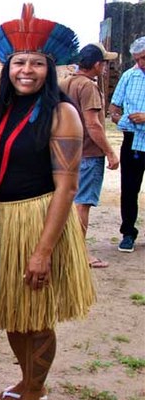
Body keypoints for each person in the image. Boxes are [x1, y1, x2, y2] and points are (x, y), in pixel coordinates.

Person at [0, 4, 95, 400]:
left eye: (35, 63)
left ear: (49, 67)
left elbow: (66, 186)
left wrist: (43, 250)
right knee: (14, 313)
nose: (25, 70)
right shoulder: (3, 109)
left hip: (40, 220)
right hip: (6, 221)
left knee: (37, 313)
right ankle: (28, 379)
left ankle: (33, 397)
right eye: (19, 62)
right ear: (7, 66)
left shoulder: (62, 112)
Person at [60, 43, 120, 266]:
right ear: (97, 64)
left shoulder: (65, 83)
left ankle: (68, 249)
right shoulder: (88, 87)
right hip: (87, 154)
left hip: (66, 153)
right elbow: (93, 125)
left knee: (66, 202)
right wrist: (110, 152)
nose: (105, 67)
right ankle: (78, 254)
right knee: (81, 204)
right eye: (104, 63)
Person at [109, 36, 145, 253]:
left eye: (144, 58)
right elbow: (114, 108)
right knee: (130, 189)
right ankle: (128, 233)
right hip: (132, 140)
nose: (141, 63)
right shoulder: (129, 76)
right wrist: (122, 118)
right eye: (138, 59)